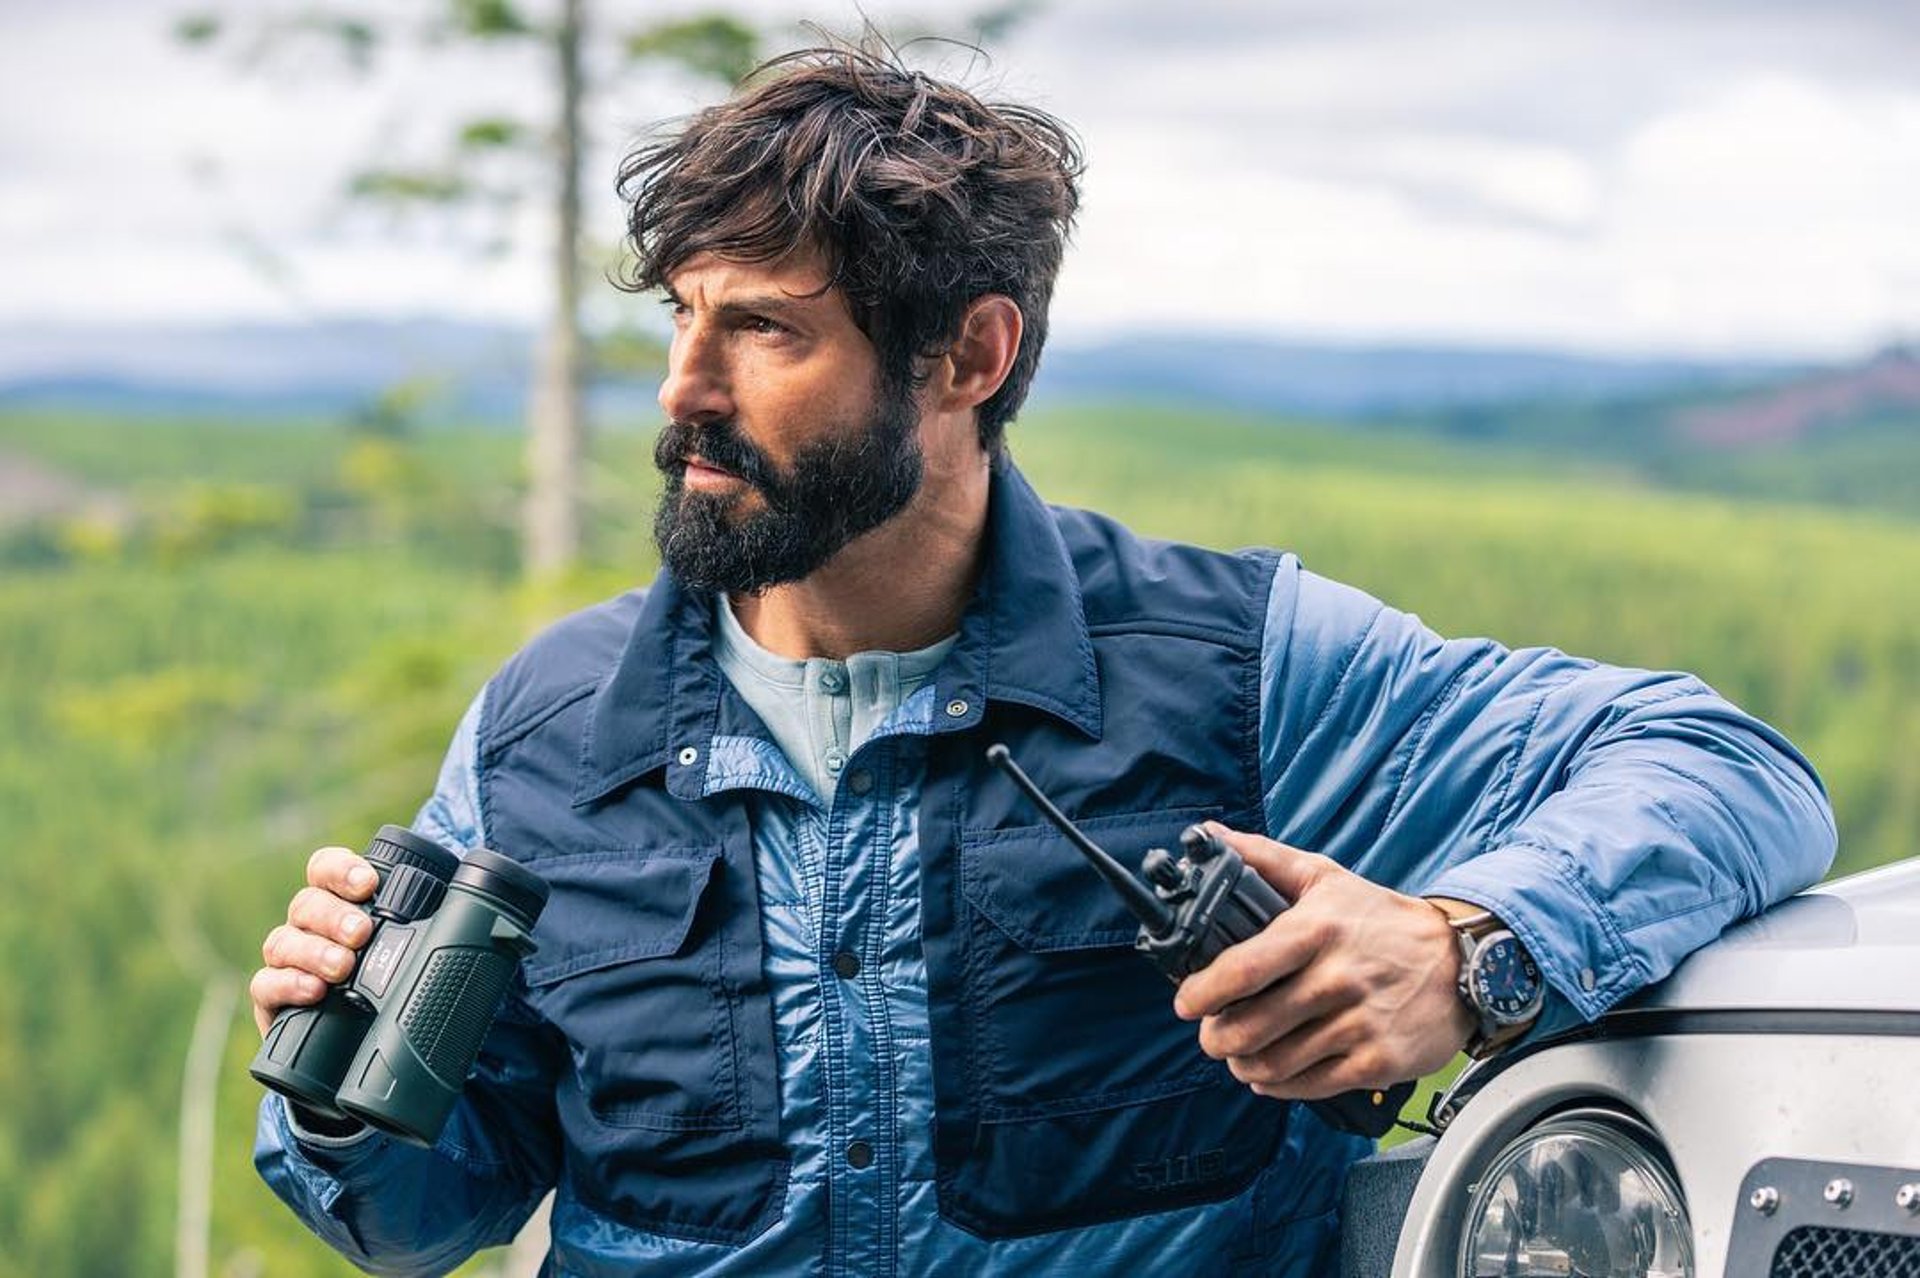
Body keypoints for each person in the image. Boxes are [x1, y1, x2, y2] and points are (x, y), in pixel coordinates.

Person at [252, 45, 1836, 1277]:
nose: (683, 391)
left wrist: (1462, 944)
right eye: (681, 317)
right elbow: (412, 1215)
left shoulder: (1241, 667)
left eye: (766, 331)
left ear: (971, 355)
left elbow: (1727, 767)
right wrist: (338, 1080)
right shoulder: (545, 731)